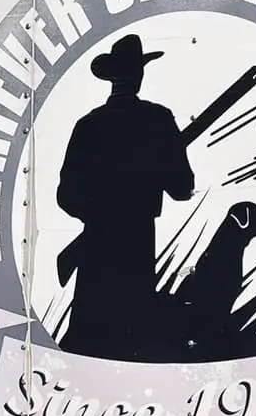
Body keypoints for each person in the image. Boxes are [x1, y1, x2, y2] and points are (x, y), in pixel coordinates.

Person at [56, 32, 194, 360]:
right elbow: (182, 188)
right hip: (137, 241)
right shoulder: (158, 119)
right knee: (132, 338)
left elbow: (66, 195)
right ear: (140, 75)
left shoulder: (87, 125)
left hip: (96, 245)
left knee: (89, 337)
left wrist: (98, 214)